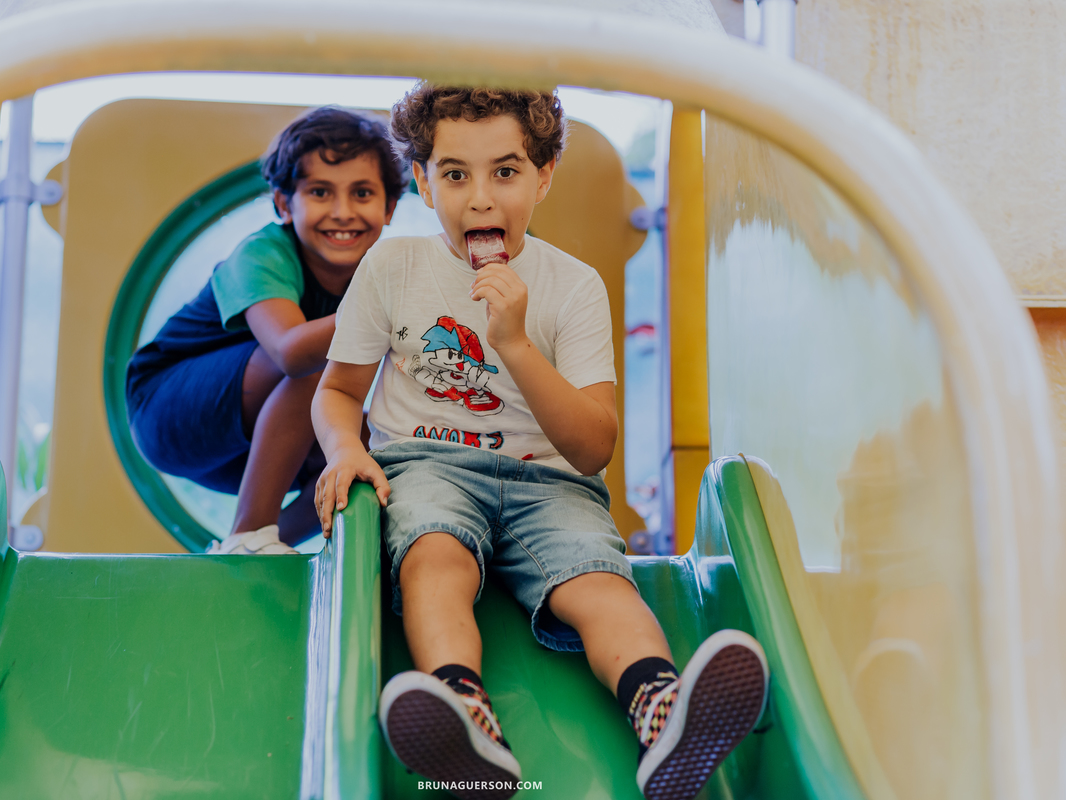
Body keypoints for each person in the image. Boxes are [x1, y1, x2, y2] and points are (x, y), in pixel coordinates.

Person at [311, 84, 769, 800]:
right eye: (455, 174)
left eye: (506, 171)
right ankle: (465, 718)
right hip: (427, 465)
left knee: (596, 581)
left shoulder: (574, 287)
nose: (481, 199)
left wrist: (517, 344)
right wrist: (345, 449)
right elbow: (337, 392)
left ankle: (663, 711)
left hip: (551, 482)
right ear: (425, 182)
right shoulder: (394, 269)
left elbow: (592, 448)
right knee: (435, 555)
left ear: (544, 176)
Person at [125, 107, 405, 553]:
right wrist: (394, 308)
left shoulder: (376, 273)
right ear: (283, 204)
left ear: (389, 207)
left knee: (373, 444)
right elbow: (291, 353)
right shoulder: (263, 254)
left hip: (254, 447)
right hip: (168, 410)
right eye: (319, 191)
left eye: (363, 193)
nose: (342, 211)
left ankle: (268, 544)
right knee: (314, 369)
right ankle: (248, 533)